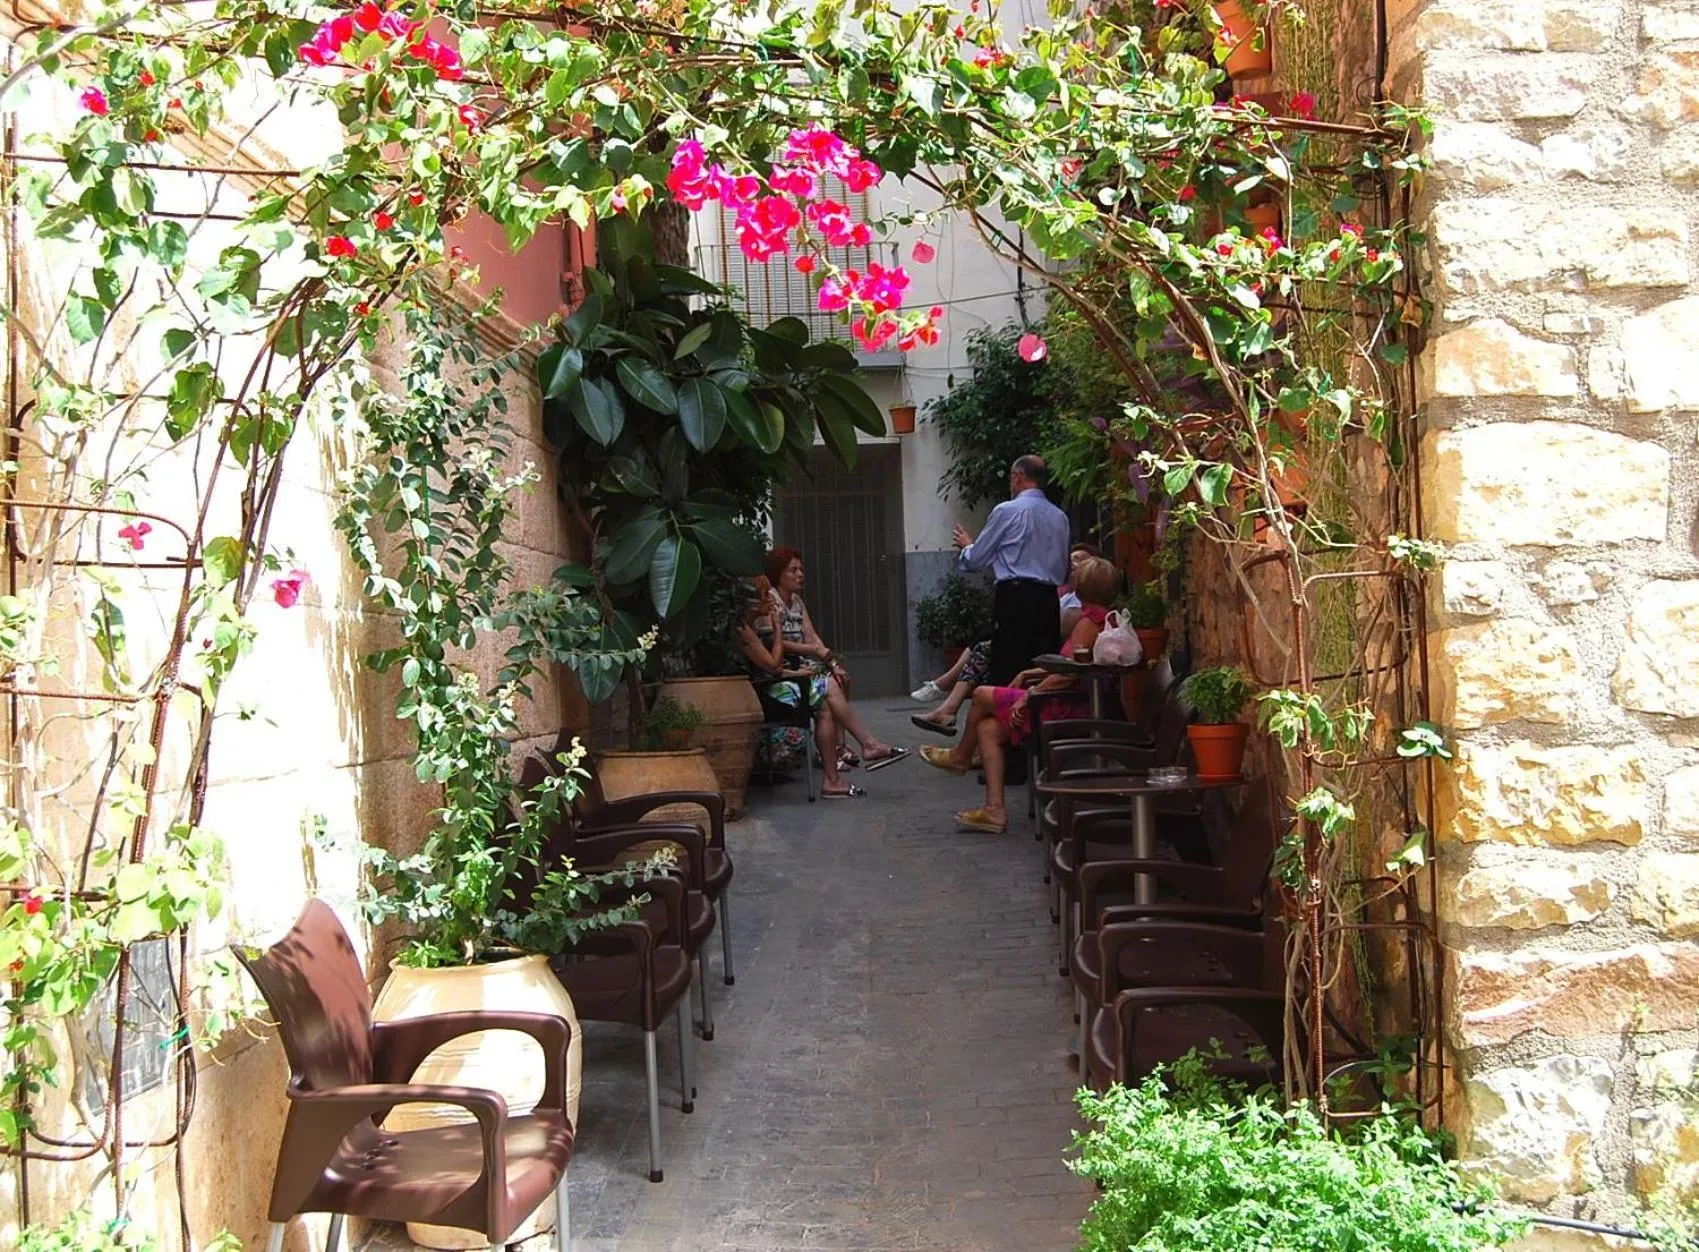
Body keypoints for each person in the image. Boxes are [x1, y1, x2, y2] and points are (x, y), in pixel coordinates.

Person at [918, 556, 1121, 834]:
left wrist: (1030, 694)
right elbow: (1072, 669)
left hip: (1058, 705)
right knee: (988, 729)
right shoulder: (1103, 619)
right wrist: (1029, 676)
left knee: (980, 695)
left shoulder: (1087, 624)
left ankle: (961, 756)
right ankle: (994, 811)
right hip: (1064, 699)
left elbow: (1071, 674)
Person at [910, 541, 1099, 737]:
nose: (1073, 565)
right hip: (1043, 662)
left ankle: (947, 701)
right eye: (1072, 559)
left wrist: (1028, 691)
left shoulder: (1086, 615)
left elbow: (1068, 667)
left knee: (984, 668)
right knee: (986, 647)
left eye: (1080, 561)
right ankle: (955, 725)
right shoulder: (1064, 594)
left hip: (1050, 669)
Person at [765, 547, 909, 771]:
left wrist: (832, 662)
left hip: (805, 662)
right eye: (793, 570)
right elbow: (776, 642)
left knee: (841, 677)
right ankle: (861, 745)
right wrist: (813, 650)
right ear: (778, 573)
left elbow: (812, 636)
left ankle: (840, 746)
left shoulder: (797, 602)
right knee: (829, 686)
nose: (800, 574)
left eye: (801, 569)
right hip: (787, 668)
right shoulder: (771, 601)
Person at [953, 455, 1071, 689]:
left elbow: (977, 559)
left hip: (1015, 598)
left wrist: (967, 547)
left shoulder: (1007, 511)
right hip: (1048, 599)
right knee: (1042, 666)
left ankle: (1009, 718)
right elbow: (1064, 569)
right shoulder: (1060, 517)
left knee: (1009, 664)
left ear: (1018, 477)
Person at [740, 576, 862, 797]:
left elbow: (775, 666)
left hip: (771, 682)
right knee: (826, 690)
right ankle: (858, 751)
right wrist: (778, 630)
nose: (770, 602)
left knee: (825, 694)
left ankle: (837, 771)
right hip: (762, 694)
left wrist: (799, 671)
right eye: (765, 596)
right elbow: (773, 666)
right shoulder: (745, 631)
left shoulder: (756, 624)